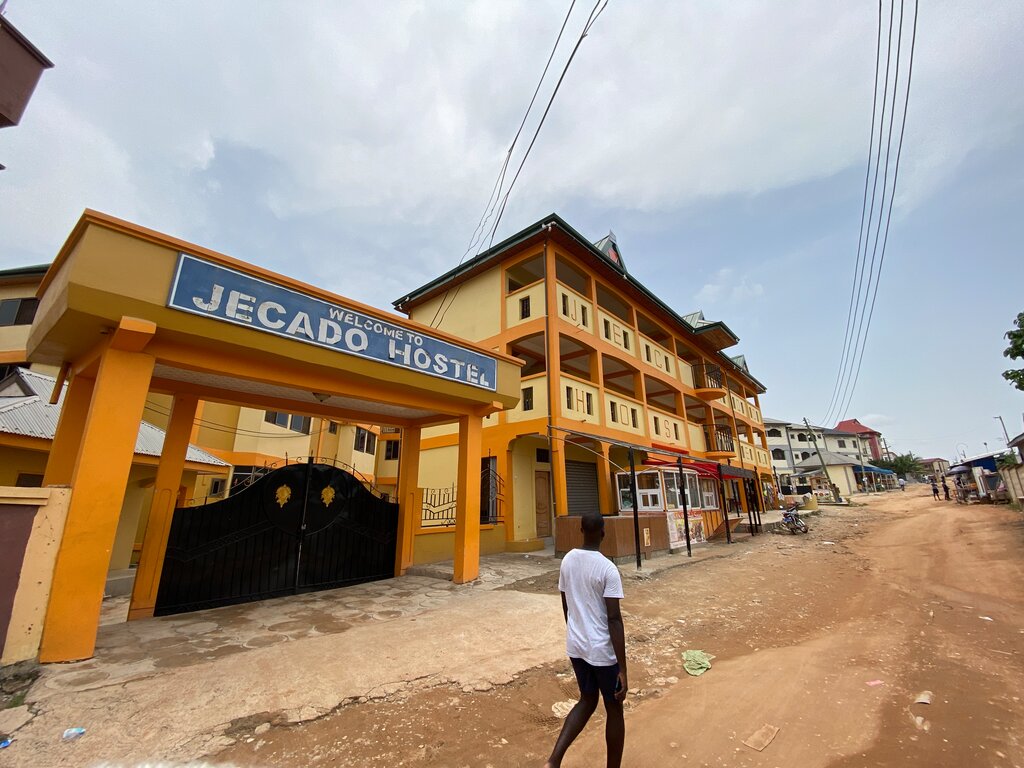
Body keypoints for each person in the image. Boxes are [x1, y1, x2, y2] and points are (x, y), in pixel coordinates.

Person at [546, 512, 627, 768]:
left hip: (577, 646)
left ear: (581, 530)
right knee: (614, 709)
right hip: (602, 651)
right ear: (603, 533)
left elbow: (565, 602)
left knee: (587, 699)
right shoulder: (607, 569)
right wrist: (623, 668)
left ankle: (553, 761)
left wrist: (574, 631)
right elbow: (614, 619)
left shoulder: (568, 560)